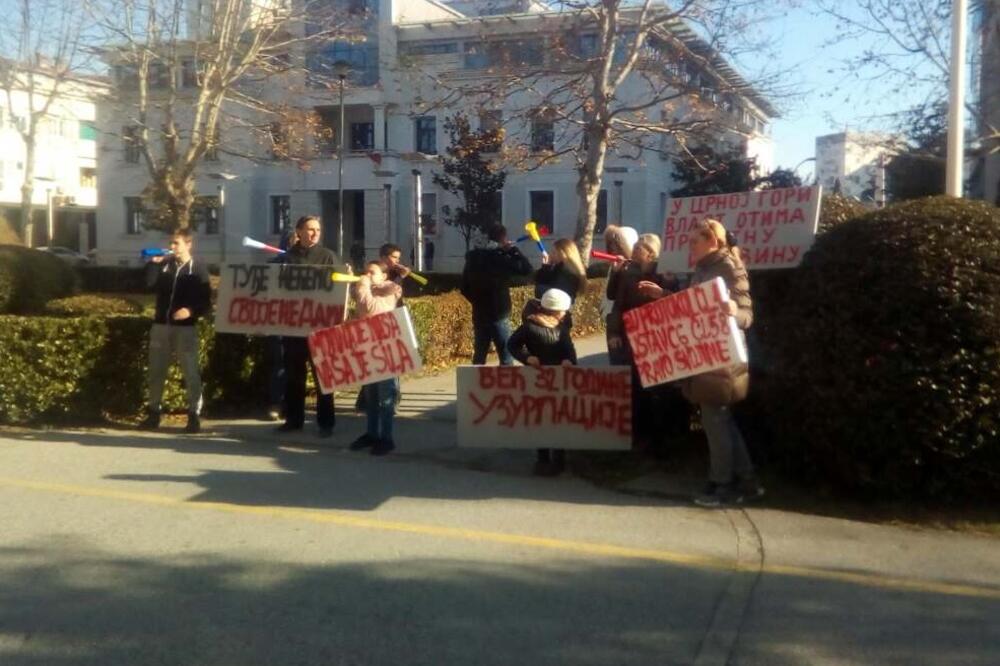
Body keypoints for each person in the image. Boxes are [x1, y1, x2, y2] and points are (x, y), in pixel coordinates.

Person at [276, 215, 349, 438]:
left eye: (318, 229)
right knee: (293, 377)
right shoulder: (286, 258)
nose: (315, 233)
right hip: (294, 328)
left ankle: (326, 423)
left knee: (323, 378)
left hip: (320, 329)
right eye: (310, 229)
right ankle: (293, 420)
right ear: (299, 231)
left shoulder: (327, 256)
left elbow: (341, 287)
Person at [606, 233, 679, 451]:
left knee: (657, 388)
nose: (634, 250)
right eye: (635, 246)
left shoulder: (663, 272)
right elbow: (616, 302)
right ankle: (640, 435)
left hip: (658, 336)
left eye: (639, 247)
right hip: (633, 334)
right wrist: (614, 333)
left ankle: (660, 439)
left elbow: (675, 300)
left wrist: (669, 283)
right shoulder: (628, 272)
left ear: (651, 251)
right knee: (636, 386)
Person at [141, 228, 211, 434]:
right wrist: (153, 265)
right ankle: (153, 412)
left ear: (188, 244)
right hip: (161, 325)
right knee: (156, 370)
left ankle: (194, 415)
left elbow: (206, 302)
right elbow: (147, 285)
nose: (172, 247)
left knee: (190, 371)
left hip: (185, 329)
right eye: (171, 243)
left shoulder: (197, 268)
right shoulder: (165, 266)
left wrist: (190, 311)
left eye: (176, 243)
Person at [507, 288, 577, 476]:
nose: (565, 314)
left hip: (559, 380)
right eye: (563, 310)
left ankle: (560, 458)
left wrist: (569, 360)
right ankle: (543, 459)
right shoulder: (530, 326)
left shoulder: (562, 327)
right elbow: (512, 344)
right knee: (541, 418)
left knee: (560, 418)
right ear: (553, 310)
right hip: (537, 380)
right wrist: (527, 358)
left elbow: (569, 349)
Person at [348, 261, 404, 456]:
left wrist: (363, 283)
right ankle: (371, 433)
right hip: (368, 348)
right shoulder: (366, 289)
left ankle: (386, 438)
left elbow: (368, 307)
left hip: (385, 351)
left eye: (372, 272)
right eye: (365, 271)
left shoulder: (390, 291)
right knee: (371, 395)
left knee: (385, 397)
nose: (367, 275)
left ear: (384, 277)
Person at [461, 225, 533, 365]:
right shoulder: (500, 258)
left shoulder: (473, 259)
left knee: (480, 354)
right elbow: (527, 270)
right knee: (506, 354)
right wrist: (513, 251)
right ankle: (506, 386)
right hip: (498, 312)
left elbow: (464, 288)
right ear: (504, 238)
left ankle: (475, 385)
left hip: (479, 312)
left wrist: (478, 301)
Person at [601, 225, 639, 365]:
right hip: (614, 322)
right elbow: (611, 296)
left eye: (617, 246)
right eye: (611, 246)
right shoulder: (616, 266)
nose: (613, 250)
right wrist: (616, 272)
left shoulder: (635, 269)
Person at [533, 238, 587, 331]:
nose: (551, 255)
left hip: (556, 317)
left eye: (554, 252)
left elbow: (551, 294)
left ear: (563, 254)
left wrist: (539, 287)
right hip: (557, 316)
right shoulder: (561, 268)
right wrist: (546, 267)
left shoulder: (567, 273)